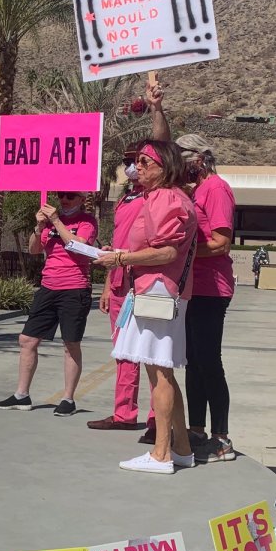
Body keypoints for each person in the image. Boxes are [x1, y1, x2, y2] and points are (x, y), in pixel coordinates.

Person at [93, 140, 197, 475]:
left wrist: (121, 257)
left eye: (145, 161)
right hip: (155, 289)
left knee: (158, 373)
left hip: (157, 290)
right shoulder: (164, 197)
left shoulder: (167, 197)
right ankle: (180, 448)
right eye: (137, 161)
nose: (138, 167)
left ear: (164, 166)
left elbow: (166, 252)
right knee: (162, 369)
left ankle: (161, 454)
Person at [0, 192, 97, 416]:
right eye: (61, 195)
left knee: (70, 344)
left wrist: (57, 221)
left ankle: (68, 399)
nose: (64, 200)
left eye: (70, 196)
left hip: (74, 288)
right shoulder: (50, 224)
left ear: (81, 199)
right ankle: (22, 395)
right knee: (27, 340)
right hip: (48, 287)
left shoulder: (87, 221)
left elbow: (78, 246)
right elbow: (33, 249)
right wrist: (39, 227)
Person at [174, 133, 237, 463]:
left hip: (212, 289)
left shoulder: (216, 189)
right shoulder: (195, 191)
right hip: (192, 288)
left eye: (183, 157)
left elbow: (221, 243)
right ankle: (196, 429)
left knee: (210, 362)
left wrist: (180, 253)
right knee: (193, 362)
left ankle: (222, 437)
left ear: (199, 159)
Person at [88, 146, 150, 433]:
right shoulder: (124, 200)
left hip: (144, 282)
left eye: (135, 161)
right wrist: (105, 287)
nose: (130, 166)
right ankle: (124, 413)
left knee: (151, 352)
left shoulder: (155, 198)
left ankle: (156, 418)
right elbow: (117, 242)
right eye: (126, 161)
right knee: (123, 351)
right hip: (118, 283)